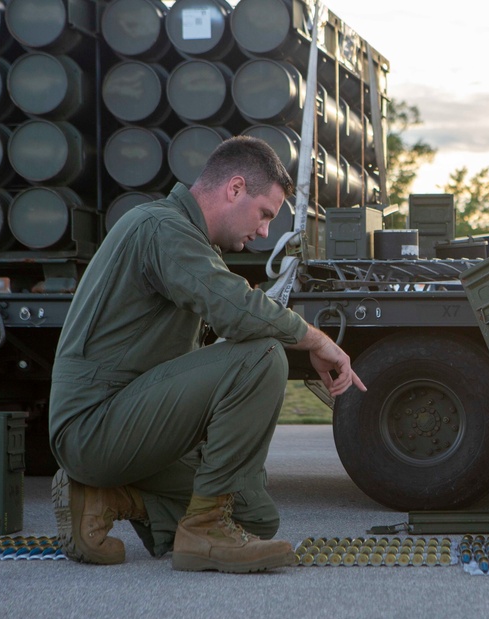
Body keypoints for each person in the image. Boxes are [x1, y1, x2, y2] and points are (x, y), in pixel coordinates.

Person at [49, 135, 366, 573]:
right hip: (95, 426)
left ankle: (105, 498)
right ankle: (204, 531)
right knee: (262, 356)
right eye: (265, 214)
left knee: (255, 515)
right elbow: (236, 309)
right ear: (234, 188)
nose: (264, 232)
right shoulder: (161, 228)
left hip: (127, 424)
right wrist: (316, 339)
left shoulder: (188, 239)